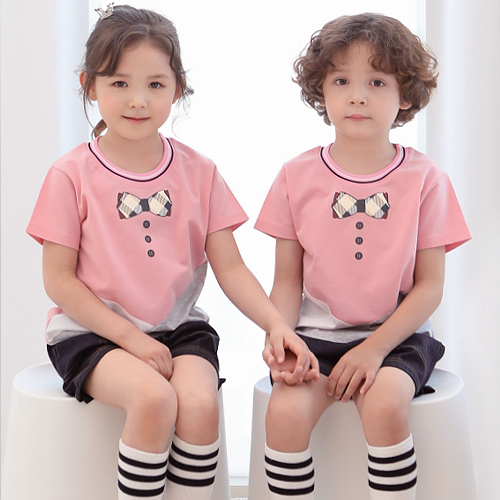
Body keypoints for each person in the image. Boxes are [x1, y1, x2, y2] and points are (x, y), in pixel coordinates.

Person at [26, 5, 317, 500]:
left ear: (178, 88)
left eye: (155, 84)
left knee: (200, 406)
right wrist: (129, 339)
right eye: (119, 83)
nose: (138, 99)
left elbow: (231, 267)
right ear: (89, 85)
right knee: (153, 399)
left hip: (179, 329)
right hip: (91, 332)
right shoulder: (69, 175)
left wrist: (276, 324)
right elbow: (59, 280)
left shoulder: (199, 172)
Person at [255, 13, 471, 500]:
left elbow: (430, 287)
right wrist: (281, 337)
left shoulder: (426, 179)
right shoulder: (294, 176)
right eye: (341, 81)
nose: (357, 96)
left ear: (405, 95)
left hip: (397, 340)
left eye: (376, 81)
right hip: (315, 340)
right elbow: (287, 282)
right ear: (321, 90)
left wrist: (374, 349)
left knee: (386, 407)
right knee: (284, 413)